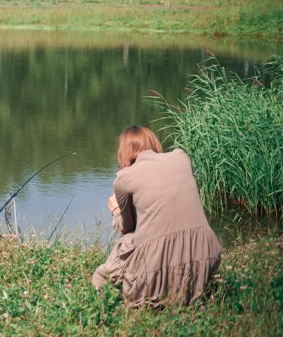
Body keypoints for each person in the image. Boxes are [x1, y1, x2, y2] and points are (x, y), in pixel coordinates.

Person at [92, 126, 221, 307]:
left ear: (124, 151)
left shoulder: (123, 178)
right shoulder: (181, 158)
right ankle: (189, 291)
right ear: (153, 143)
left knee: (124, 245)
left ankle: (102, 300)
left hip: (155, 267)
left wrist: (115, 212)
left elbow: (127, 227)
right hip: (206, 254)